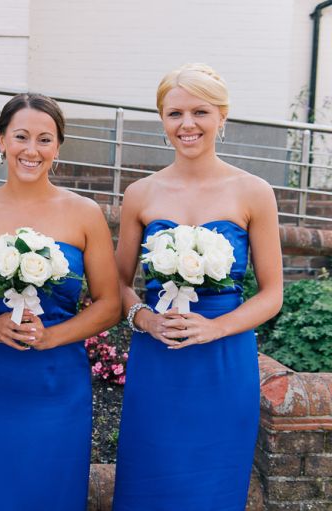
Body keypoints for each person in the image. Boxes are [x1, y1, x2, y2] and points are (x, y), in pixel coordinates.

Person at [0, 93, 121, 511]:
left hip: (57, 382)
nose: (31, 150)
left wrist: (53, 337)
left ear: (57, 146)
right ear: (1, 140)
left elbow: (110, 303)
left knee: (50, 491)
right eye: (20, 136)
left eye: (44, 139)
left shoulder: (85, 213)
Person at [112, 64, 283, 510]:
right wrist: (145, 319)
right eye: (175, 113)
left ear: (222, 117)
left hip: (223, 361)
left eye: (200, 112)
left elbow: (272, 294)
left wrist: (214, 328)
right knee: (149, 476)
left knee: (213, 486)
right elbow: (116, 283)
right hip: (158, 358)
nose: (187, 124)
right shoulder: (141, 193)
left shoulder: (254, 192)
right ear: (162, 120)